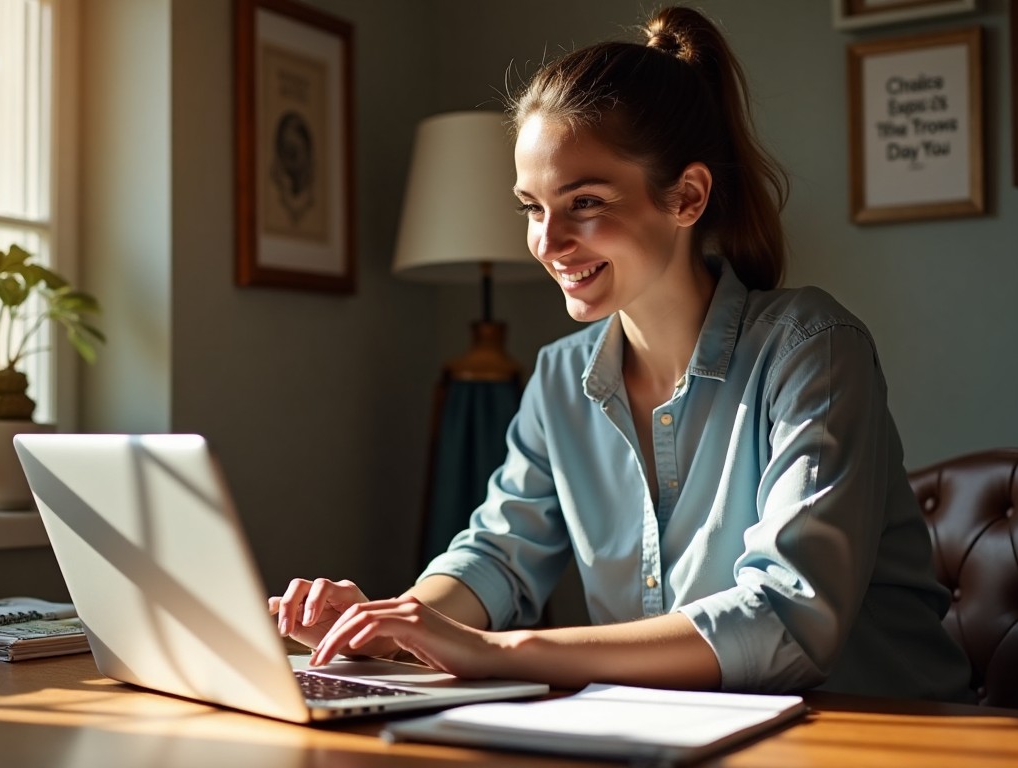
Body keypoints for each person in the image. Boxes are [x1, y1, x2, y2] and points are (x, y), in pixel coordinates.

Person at [270, 6, 972, 701]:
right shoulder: (559, 378)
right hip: (676, 736)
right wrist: (390, 626)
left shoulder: (812, 349)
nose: (548, 243)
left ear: (687, 197)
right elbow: (498, 558)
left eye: (584, 203)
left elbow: (788, 620)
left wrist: (501, 651)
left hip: (881, 731)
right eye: (532, 207)